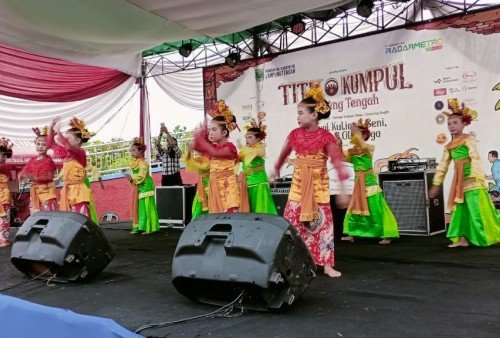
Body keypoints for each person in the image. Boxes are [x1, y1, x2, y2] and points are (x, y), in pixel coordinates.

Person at [272, 82, 350, 277]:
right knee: (292, 224)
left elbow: (338, 163)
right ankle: (291, 260)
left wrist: (341, 190)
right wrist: (275, 169)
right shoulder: (294, 134)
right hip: (298, 187)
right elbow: (282, 155)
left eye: (301, 113)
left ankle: (326, 264)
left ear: (314, 115)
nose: (297, 117)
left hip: (318, 188)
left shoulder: (326, 137)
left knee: (322, 226)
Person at [429, 98, 500, 247]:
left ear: (463, 124)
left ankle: (486, 237)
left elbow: (475, 157)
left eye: (455, 123)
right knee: (459, 210)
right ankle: (461, 240)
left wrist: (475, 177)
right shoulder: (449, 146)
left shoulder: (468, 139)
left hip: (472, 180)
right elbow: (443, 166)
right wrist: (436, 184)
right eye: (449, 123)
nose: (451, 126)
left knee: (477, 211)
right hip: (459, 182)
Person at [340, 119, 399, 244]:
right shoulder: (351, 151)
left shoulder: (368, 148)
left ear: (365, 136)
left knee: (376, 209)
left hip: (370, 183)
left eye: (358, 133)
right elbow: (343, 159)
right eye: (353, 134)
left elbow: (361, 145)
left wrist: (356, 134)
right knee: (354, 209)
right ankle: (352, 232)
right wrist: (339, 145)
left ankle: (386, 233)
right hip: (358, 184)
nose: (353, 135)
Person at [192, 100, 240, 213]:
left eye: (214, 130)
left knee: (229, 217)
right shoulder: (212, 147)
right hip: (214, 189)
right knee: (216, 219)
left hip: (227, 189)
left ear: (224, 133)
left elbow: (215, 153)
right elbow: (199, 149)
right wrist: (198, 138)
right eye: (209, 130)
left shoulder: (229, 148)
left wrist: (200, 140)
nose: (210, 133)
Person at [47, 117, 94, 217]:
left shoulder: (80, 153)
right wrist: (51, 128)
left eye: (68, 139)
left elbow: (68, 146)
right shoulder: (65, 153)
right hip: (67, 192)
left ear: (77, 140)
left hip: (79, 191)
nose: (64, 141)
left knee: (81, 218)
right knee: (69, 220)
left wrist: (58, 132)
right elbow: (50, 144)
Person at [238, 112, 277, 214]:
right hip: (247, 183)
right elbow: (237, 159)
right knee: (249, 210)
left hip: (259, 182)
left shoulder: (260, 147)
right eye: (246, 137)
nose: (247, 140)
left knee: (262, 210)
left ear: (258, 139)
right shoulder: (245, 150)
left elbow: (252, 154)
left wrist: (242, 150)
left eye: (250, 137)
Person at [18, 127, 58, 213]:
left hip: (47, 194)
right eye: (38, 144)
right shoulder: (32, 159)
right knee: (37, 218)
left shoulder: (48, 160)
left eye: (44, 145)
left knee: (48, 217)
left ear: (48, 147)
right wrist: (21, 175)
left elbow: (50, 177)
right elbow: (25, 170)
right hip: (35, 194)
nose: (40, 147)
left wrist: (34, 178)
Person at [125, 137, 159, 234]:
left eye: (134, 150)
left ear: (140, 151)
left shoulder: (143, 163)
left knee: (146, 206)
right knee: (140, 207)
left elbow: (141, 176)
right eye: (130, 150)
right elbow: (135, 178)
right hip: (139, 187)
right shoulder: (134, 164)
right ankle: (140, 226)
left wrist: (131, 178)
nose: (132, 152)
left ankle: (149, 227)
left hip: (146, 186)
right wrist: (130, 179)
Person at [183, 150, 210, 220]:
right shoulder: (199, 159)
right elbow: (189, 161)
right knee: (199, 206)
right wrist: (189, 152)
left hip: (213, 185)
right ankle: (196, 224)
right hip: (203, 186)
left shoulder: (213, 157)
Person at [0, 137, 14, 247]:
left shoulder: (5, 167)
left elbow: (10, 179)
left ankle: (4, 239)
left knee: (4, 218)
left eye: (3, 155)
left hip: (3, 196)